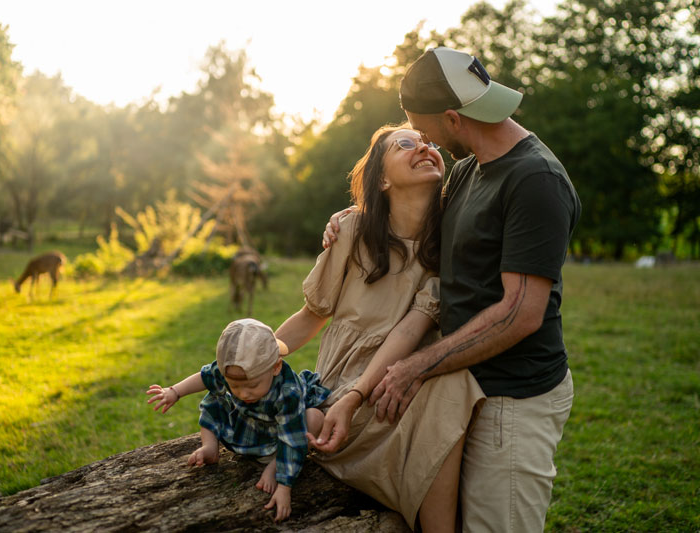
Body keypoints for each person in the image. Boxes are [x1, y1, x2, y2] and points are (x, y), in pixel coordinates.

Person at [324, 46, 581, 532]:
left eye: (423, 128)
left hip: (511, 396)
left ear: (452, 118)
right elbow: (406, 211)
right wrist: (353, 218)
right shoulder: (468, 170)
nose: (422, 139)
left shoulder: (534, 180)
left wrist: (414, 367)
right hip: (462, 387)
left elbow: (519, 313)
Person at [274, 123, 485, 532]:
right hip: (341, 395)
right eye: (405, 144)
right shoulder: (352, 231)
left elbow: (409, 330)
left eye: (428, 142)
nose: (423, 146)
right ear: (383, 179)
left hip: (393, 385)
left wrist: (360, 394)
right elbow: (311, 317)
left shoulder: (448, 245)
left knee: (452, 384)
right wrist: (256, 356)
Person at [145, 318, 330, 522]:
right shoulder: (232, 371)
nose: (243, 393)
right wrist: (175, 392)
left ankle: (275, 464)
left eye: (252, 386)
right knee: (213, 398)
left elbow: (292, 439)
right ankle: (210, 447)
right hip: (248, 426)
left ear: (276, 367)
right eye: (235, 386)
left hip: (281, 436)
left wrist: (285, 487)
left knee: (314, 418)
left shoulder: (288, 393)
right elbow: (205, 377)